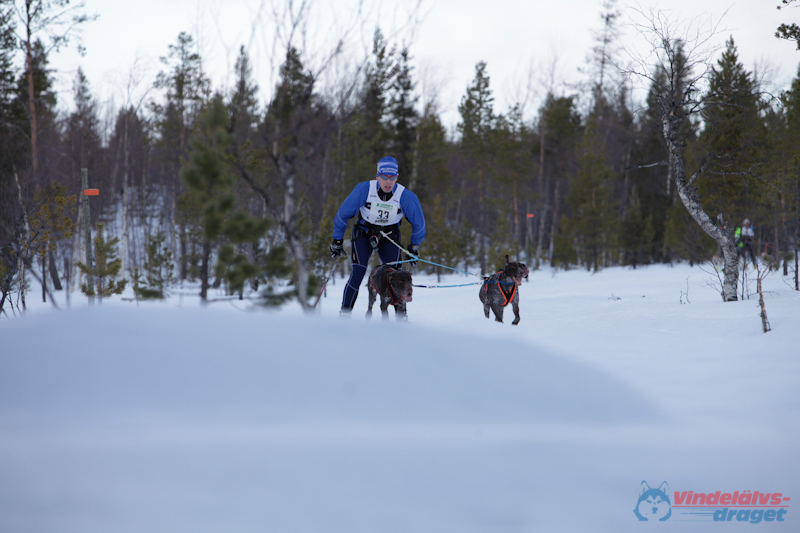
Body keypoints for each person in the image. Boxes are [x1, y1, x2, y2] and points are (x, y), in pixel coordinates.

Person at [329, 156, 426, 315]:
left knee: (396, 275)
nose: (388, 182)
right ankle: (344, 315)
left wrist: (414, 247)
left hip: (390, 236)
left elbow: (420, 225)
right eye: (384, 178)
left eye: (392, 178)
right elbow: (342, 215)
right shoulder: (364, 190)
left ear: (397, 177)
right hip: (364, 233)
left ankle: (401, 319)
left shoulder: (405, 196)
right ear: (377, 176)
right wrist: (337, 240)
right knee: (358, 272)